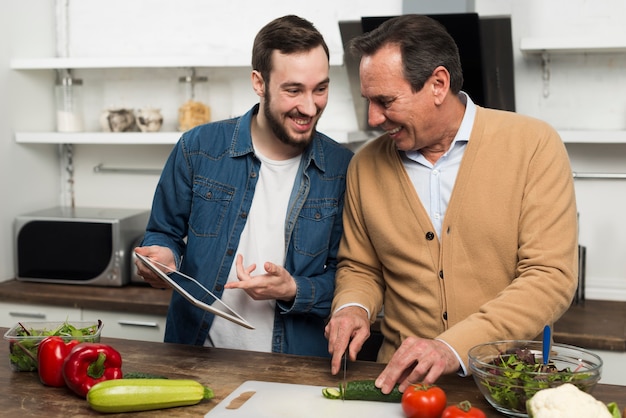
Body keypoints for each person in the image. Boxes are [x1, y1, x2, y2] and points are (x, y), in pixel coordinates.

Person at [325, 14, 578, 392]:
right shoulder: (365, 165)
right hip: (399, 384)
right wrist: (352, 307)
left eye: (386, 101)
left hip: (509, 382)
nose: (373, 118)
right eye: (368, 101)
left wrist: (450, 348)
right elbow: (361, 267)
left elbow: (549, 278)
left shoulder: (533, 146)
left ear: (438, 84)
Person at [135, 15, 353, 357]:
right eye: (294, 90)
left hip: (294, 368)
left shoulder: (342, 169)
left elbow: (353, 277)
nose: (310, 107)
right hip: (197, 357)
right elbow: (163, 233)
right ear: (259, 82)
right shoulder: (198, 148)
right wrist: (161, 257)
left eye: (321, 89)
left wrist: (292, 288)